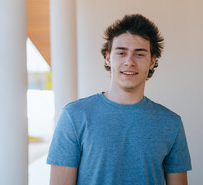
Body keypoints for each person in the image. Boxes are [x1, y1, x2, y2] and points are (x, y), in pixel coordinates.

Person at [47, 14, 192, 185]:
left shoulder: (171, 123)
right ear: (108, 58)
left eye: (139, 54)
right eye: (121, 53)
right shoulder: (74, 116)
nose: (129, 62)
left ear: (152, 61)